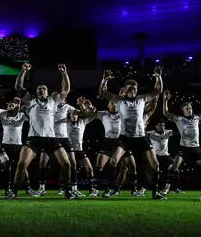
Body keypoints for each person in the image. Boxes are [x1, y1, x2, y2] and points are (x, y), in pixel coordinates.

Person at [7, 63, 78, 199]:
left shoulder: (53, 100)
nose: (41, 90)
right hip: (34, 138)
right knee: (22, 164)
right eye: (39, 89)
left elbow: (66, 89)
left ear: (47, 91)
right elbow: (18, 87)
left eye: (44, 89)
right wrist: (22, 72)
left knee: (67, 164)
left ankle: (68, 191)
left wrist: (64, 73)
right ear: (36, 92)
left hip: (51, 138)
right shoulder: (30, 101)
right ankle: (14, 192)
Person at [98, 67, 164, 199]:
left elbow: (158, 91)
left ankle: (155, 192)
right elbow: (103, 92)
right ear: (125, 89)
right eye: (129, 88)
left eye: (134, 88)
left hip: (141, 137)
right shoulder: (119, 100)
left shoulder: (141, 99)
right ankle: (110, 189)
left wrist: (158, 76)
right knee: (113, 161)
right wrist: (104, 79)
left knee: (155, 165)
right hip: (125, 137)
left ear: (137, 89)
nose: (132, 90)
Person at [162, 90, 201, 194]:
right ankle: (166, 188)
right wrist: (165, 100)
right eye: (187, 108)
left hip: (196, 148)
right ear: (183, 111)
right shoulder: (179, 119)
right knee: (174, 167)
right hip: (184, 148)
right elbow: (166, 113)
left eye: (190, 108)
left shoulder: (197, 117)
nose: (189, 109)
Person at [68, 97, 97, 196]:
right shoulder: (65, 123)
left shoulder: (82, 122)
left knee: (89, 168)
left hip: (79, 150)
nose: (75, 116)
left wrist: (91, 107)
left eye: (76, 114)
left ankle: (91, 189)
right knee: (71, 169)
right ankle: (70, 188)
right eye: (73, 114)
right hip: (69, 151)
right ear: (69, 115)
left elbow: (93, 115)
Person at [0, 97, 29, 195]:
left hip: (18, 145)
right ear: (7, 107)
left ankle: (28, 187)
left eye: (13, 105)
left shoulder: (21, 115)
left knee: (22, 166)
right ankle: (8, 187)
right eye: (9, 105)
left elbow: (30, 118)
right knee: (6, 166)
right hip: (5, 144)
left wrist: (21, 107)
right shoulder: (3, 115)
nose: (11, 107)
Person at [148, 120, 175, 195]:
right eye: (160, 125)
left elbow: (178, 132)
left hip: (166, 155)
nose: (162, 127)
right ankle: (145, 187)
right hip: (156, 155)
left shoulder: (168, 132)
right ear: (156, 126)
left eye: (163, 125)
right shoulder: (150, 133)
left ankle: (170, 187)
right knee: (154, 172)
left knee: (175, 169)